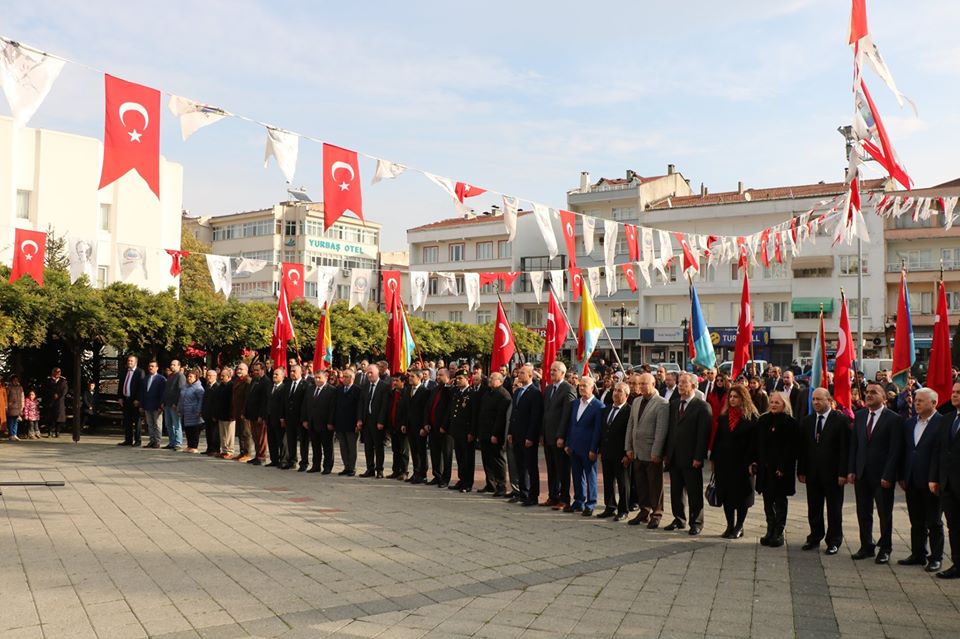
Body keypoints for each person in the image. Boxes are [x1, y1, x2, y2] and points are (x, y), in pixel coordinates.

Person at [848, 381, 904, 564]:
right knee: (863, 512)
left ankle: (885, 548)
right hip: (862, 473)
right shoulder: (860, 415)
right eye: (867, 392)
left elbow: (895, 450)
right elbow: (854, 446)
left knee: (884, 514)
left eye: (874, 392)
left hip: (882, 476)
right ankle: (866, 546)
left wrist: (889, 475)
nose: (869, 395)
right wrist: (851, 470)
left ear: (884, 397)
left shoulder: (893, 419)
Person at [798, 388, 850, 555]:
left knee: (834, 508)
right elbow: (804, 448)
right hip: (813, 473)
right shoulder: (808, 420)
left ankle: (834, 540)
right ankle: (815, 536)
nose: (815, 403)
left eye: (819, 399)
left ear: (829, 400)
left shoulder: (840, 420)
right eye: (813, 399)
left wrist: (843, 473)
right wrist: (802, 470)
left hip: (833, 474)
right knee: (814, 507)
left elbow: (844, 449)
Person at [899, 387, 944, 573]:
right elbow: (904, 451)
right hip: (911, 479)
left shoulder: (942, 423)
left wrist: (936, 478)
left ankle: (936, 558)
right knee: (916, 520)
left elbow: (941, 455)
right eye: (916, 400)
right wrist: (902, 475)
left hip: (931, 481)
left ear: (933, 403)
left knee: (934, 521)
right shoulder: (910, 423)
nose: (916, 403)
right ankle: (918, 554)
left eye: (921, 401)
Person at [663, 373, 712, 535]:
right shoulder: (674, 404)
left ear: (694, 386)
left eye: (684, 383)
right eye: (679, 383)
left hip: (691, 457)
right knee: (676, 491)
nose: (680, 386)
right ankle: (679, 519)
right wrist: (666, 453)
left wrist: (699, 457)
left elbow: (703, 435)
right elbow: (670, 430)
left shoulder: (702, 406)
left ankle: (696, 522)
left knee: (694, 492)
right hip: (674, 456)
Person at [712, 384, 760, 539]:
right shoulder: (724, 417)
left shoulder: (751, 418)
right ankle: (729, 525)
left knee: (741, 497)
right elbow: (717, 440)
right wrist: (713, 459)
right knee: (726, 496)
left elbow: (754, 443)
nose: (732, 400)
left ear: (743, 398)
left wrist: (752, 462)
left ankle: (739, 526)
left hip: (743, 463)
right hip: (724, 462)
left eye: (736, 397)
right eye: (730, 397)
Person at [625, 372, 670, 529]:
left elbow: (661, 430)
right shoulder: (637, 401)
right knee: (641, 483)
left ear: (653, 384)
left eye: (644, 384)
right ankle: (644, 511)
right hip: (637, 451)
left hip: (652, 452)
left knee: (655, 485)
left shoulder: (662, 404)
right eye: (639, 384)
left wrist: (657, 451)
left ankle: (656, 514)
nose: (641, 387)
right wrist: (628, 447)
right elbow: (631, 425)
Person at [756, 391, 799, 547]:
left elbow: (791, 448)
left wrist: (783, 466)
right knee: (767, 500)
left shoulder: (790, 423)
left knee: (780, 501)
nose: (773, 405)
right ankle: (770, 529)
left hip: (781, 469)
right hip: (765, 468)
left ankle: (778, 532)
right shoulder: (763, 420)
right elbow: (758, 444)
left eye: (777, 403)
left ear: (784, 405)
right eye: (772, 402)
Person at [564, 376, 604, 516]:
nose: (581, 388)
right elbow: (571, 425)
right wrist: (568, 443)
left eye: (584, 386)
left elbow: (598, 431)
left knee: (590, 475)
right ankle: (579, 501)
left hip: (588, 448)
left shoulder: (599, 406)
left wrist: (594, 449)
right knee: (576, 475)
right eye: (580, 385)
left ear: (592, 387)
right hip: (574, 446)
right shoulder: (575, 403)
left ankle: (591, 503)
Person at [933, 382, 960, 579]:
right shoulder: (947, 419)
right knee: (954, 526)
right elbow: (939, 451)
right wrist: (935, 478)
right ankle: (957, 564)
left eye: (959, 393)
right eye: (953, 392)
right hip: (948, 484)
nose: (954, 395)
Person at [541, 362, 576, 509]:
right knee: (551, 468)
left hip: (559, 437)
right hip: (548, 435)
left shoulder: (568, 389)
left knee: (562, 469)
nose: (552, 372)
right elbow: (545, 413)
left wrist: (561, 436)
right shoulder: (549, 389)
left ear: (562, 373)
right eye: (551, 370)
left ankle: (564, 499)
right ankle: (552, 496)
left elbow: (566, 415)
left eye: (555, 370)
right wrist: (542, 434)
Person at [507, 364, 543, 507]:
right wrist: (510, 432)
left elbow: (535, 417)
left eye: (522, 373)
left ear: (530, 375)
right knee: (520, 466)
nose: (518, 375)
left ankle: (533, 495)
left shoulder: (535, 393)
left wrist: (531, 437)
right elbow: (514, 415)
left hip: (527, 436)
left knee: (530, 467)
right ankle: (523, 492)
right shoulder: (517, 392)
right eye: (518, 373)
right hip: (516, 435)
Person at [598, 382, 631, 521]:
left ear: (626, 395)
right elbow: (602, 431)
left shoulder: (629, 411)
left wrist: (627, 454)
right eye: (615, 390)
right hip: (607, 452)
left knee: (623, 483)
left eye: (619, 391)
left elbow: (629, 434)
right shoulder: (606, 409)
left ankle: (623, 510)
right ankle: (610, 506)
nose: (616, 394)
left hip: (621, 454)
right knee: (608, 481)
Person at [477, 372, 511, 496]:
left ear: (500, 381)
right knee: (487, 459)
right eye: (490, 378)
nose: (490, 380)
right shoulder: (488, 393)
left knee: (498, 460)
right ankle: (490, 483)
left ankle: (501, 485)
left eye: (493, 378)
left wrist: (495, 434)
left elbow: (501, 418)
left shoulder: (503, 395)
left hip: (496, 434)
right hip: (485, 432)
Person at [359, 364, 391, 478]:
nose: (369, 374)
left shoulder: (384, 386)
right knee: (368, 446)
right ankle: (370, 468)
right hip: (367, 420)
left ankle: (379, 470)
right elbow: (361, 404)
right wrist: (360, 419)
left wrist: (381, 421)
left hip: (378, 421)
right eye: (368, 372)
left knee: (378, 446)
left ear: (378, 373)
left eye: (371, 372)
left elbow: (384, 406)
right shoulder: (365, 386)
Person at [448, 370, 476, 492]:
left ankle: (468, 482)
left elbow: (474, 415)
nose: (457, 380)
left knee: (467, 458)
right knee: (459, 456)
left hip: (466, 430)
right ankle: (461, 479)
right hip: (457, 430)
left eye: (460, 378)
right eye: (456, 378)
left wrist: (472, 432)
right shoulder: (456, 392)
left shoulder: (472, 394)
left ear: (467, 379)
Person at [304, 369, 337, 474]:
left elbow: (333, 408)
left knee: (327, 447)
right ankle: (316, 465)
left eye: (319, 378)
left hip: (325, 424)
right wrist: (305, 419)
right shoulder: (310, 389)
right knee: (315, 446)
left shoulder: (331, 390)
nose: (317, 380)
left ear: (326, 378)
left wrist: (331, 422)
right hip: (312, 423)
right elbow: (305, 405)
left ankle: (327, 466)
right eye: (315, 378)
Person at [401, 369, 430, 484]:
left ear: (419, 377)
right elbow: (405, 408)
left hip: (420, 427)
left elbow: (425, 411)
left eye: (412, 376)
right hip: (410, 426)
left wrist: (424, 426)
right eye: (409, 376)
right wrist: (404, 423)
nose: (410, 378)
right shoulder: (408, 390)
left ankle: (422, 474)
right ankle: (416, 472)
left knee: (421, 451)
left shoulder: (425, 391)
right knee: (414, 451)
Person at [425, 368, 453, 487]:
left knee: (446, 454)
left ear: (447, 376)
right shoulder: (435, 389)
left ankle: (445, 479)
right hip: (433, 427)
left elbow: (450, 410)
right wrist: (426, 422)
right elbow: (428, 407)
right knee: (435, 453)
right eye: (437, 375)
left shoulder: (450, 390)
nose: (438, 377)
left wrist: (444, 425)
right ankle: (437, 475)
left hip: (444, 428)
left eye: (441, 375)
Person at [282, 365, 307, 470]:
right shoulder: (287, 385)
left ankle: (304, 463)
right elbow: (284, 402)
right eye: (291, 371)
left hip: (300, 419)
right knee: (291, 441)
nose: (292, 373)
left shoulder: (305, 385)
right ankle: (292, 460)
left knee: (303, 442)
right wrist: (282, 417)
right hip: (289, 418)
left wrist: (305, 418)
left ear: (301, 372)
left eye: (294, 371)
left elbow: (306, 404)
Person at [245, 362, 270, 466]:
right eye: (254, 370)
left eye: (257, 370)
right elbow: (249, 397)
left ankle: (262, 456)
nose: (255, 372)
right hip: (252, 414)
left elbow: (265, 400)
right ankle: (257, 455)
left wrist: (261, 415)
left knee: (261, 437)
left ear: (262, 370)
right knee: (255, 436)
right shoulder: (254, 380)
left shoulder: (266, 382)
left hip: (260, 415)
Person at [386, 375, 409, 480]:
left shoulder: (407, 393)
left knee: (403, 450)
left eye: (397, 380)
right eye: (393, 380)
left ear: (403, 382)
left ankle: (404, 471)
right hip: (393, 425)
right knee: (395, 450)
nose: (394, 382)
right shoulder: (392, 393)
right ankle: (396, 471)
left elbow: (407, 411)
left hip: (402, 426)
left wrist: (404, 423)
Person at [161, 360, 186, 450]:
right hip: (167, 404)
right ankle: (171, 442)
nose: (172, 366)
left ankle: (178, 443)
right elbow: (166, 390)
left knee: (176, 424)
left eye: (174, 365)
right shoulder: (170, 376)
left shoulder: (180, 376)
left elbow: (181, 391)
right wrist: (163, 401)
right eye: (171, 364)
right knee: (168, 424)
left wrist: (176, 403)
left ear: (179, 366)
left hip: (174, 405)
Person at [231, 363, 254, 462]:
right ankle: (242, 452)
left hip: (244, 412)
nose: (238, 370)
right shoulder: (237, 381)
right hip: (237, 410)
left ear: (246, 370)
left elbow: (247, 399)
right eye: (238, 369)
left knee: (246, 433)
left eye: (241, 369)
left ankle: (248, 453)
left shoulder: (248, 381)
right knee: (240, 433)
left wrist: (244, 412)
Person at [265, 367, 287, 467]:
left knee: (281, 441)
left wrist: (282, 417)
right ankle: (274, 460)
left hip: (279, 418)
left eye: (277, 374)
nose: (274, 376)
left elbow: (283, 405)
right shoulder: (270, 387)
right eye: (274, 374)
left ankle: (283, 460)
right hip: (269, 418)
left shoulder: (284, 388)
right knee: (271, 440)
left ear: (282, 376)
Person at [140, 361, 165, 448]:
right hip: (147, 405)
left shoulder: (161, 379)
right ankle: (152, 440)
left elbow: (162, 394)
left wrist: (160, 406)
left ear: (157, 368)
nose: (151, 368)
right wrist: (142, 405)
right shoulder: (146, 379)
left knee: (157, 424)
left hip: (156, 405)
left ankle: (157, 441)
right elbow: (143, 393)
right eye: (150, 366)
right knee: (150, 424)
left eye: (153, 366)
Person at [178, 369, 204, 453]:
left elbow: (201, 400)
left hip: (194, 412)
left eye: (191, 376)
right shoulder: (185, 386)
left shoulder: (198, 388)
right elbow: (181, 398)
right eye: (188, 376)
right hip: (186, 412)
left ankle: (194, 446)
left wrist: (198, 410)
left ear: (196, 377)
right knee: (188, 429)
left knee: (194, 430)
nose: (189, 378)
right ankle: (189, 446)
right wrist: (179, 408)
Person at [214, 367, 235, 458]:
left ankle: (230, 451)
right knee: (222, 434)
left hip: (229, 414)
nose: (221, 377)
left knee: (229, 434)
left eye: (223, 376)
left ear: (229, 376)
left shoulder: (232, 386)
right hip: (221, 414)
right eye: (221, 375)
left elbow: (233, 401)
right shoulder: (220, 386)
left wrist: (232, 414)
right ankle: (224, 450)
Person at [200, 369, 221, 456]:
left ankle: (215, 449)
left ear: (215, 377)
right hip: (207, 413)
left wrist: (215, 414)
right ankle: (209, 448)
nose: (208, 378)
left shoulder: (217, 387)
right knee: (208, 432)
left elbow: (217, 402)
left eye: (210, 376)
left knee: (214, 433)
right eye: (207, 375)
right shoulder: (207, 386)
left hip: (213, 414)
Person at [43, 367, 68, 438]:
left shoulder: (63, 381)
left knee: (59, 418)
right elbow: (45, 389)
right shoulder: (48, 380)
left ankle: (57, 431)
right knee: (50, 417)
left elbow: (65, 390)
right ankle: (50, 431)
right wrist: (53, 394)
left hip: (59, 402)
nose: (57, 373)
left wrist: (59, 395)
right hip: (50, 401)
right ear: (53, 372)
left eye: (59, 372)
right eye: (56, 372)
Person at [5, 376, 24, 441]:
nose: (16, 381)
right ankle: (11, 434)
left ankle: (14, 434)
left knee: (16, 421)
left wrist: (22, 406)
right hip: (11, 406)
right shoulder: (9, 388)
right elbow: (6, 397)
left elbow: (22, 397)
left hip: (18, 406)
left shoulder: (20, 387)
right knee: (11, 421)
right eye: (14, 380)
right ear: (12, 381)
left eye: (17, 380)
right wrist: (6, 405)